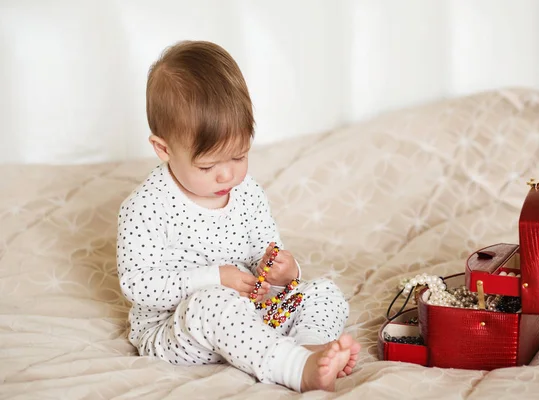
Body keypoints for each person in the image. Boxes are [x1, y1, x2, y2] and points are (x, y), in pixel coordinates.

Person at [116, 40, 360, 392]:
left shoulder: (247, 193)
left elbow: (266, 251)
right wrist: (216, 278)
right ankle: (294, 368)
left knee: (324, 292)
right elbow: (138, 285)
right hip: (179, 328)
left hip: (254, 314)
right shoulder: (146, 207)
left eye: (239, 156)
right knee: (213, 303)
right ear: (164, 149)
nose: (227, 176)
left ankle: (309, 350)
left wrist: (281, 271)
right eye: (208, 165)